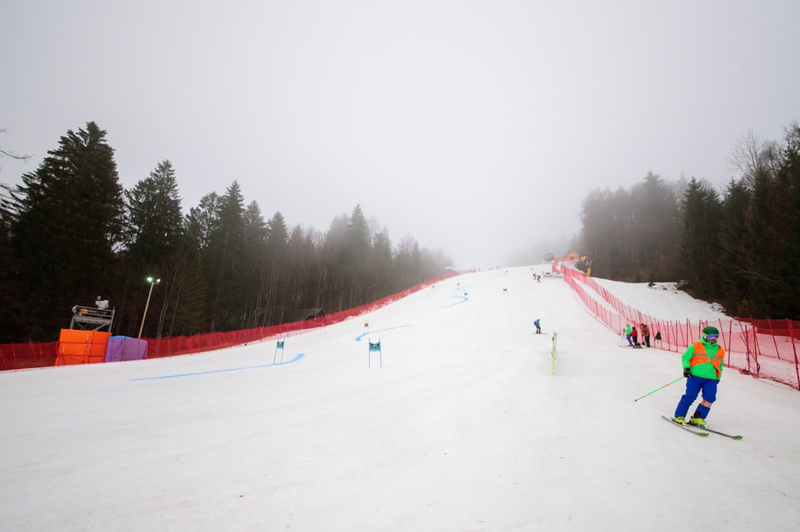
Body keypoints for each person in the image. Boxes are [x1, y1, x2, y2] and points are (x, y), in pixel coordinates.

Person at [673, 326, 725, 426]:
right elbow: (685, 357)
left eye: (716, 336)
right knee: (690, 396)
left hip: (711, 378)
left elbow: (720, 366)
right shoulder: (696, 345)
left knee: (710, 398)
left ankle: (698, 417)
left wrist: (718, 377)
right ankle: (679, 416)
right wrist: (686, 368)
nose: (714, 338)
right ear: (705, 336)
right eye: (711, 336)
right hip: (695, 376)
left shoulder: (720, 350)